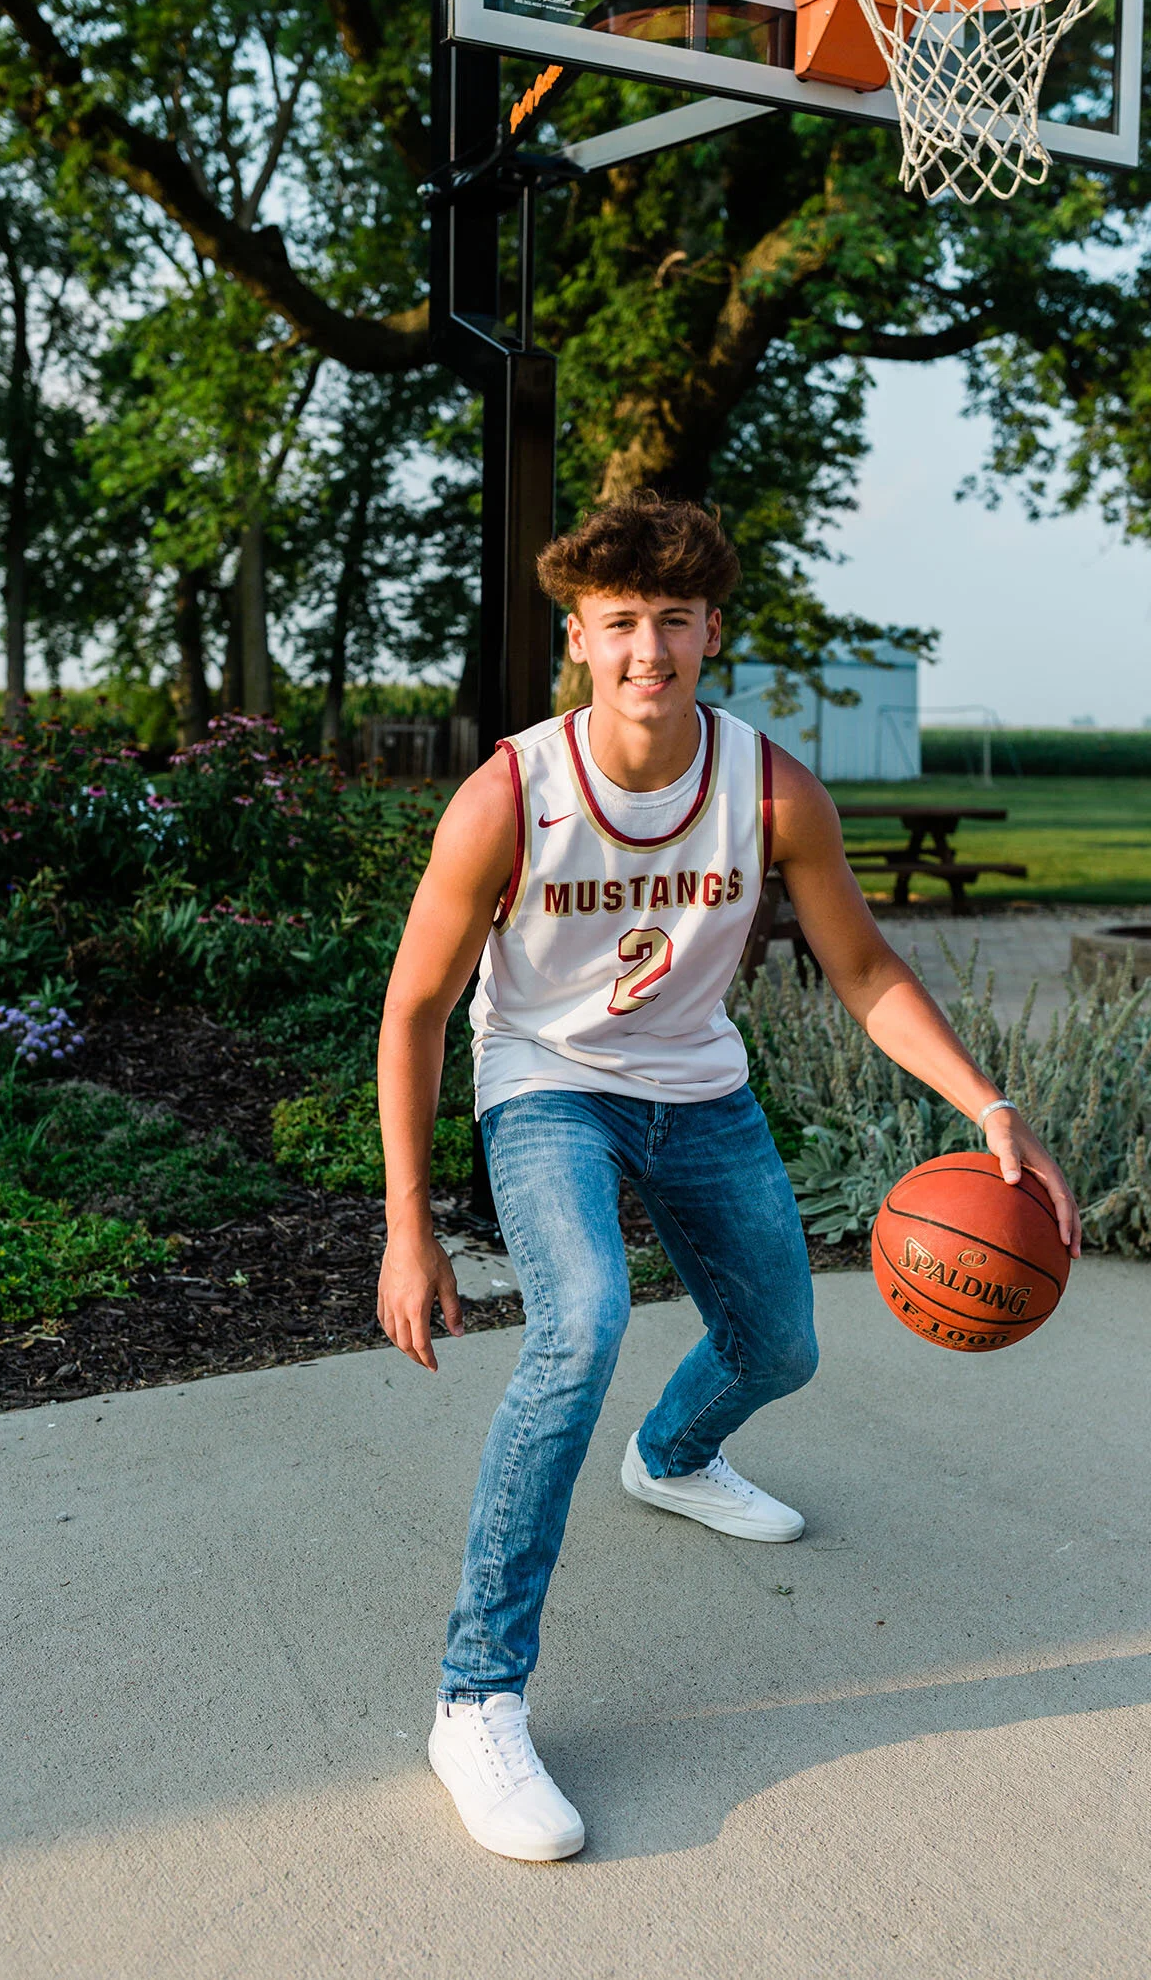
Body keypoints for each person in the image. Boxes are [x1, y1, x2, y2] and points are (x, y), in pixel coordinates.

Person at [376, 493, 1080, 1863]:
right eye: (619, 623)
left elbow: (864, 969)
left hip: (699, 1087)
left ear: (712, 632)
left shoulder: (768, 791)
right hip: (548, 1082)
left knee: (780, 1345)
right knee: (581, 1322)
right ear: (578, 639)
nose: (648, 649)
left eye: (674, 621)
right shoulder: (511, 794)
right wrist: (410, 1225)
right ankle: (476, 1697)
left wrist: (991, 1106)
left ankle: (674, 1453)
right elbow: (415, 1009)